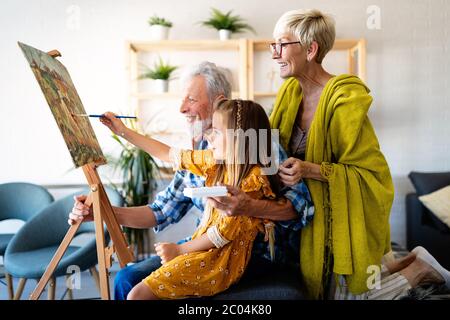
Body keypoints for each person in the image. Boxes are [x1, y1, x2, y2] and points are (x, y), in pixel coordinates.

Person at [69, 61, 313, 299]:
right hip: (205, 246)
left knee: (136, 287)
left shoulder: (260, 146)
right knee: (126, 278)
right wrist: (103, 211)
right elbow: (160, 209)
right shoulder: (207, 153)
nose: (182, 109)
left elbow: (301, 209)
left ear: (219, 102)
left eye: (192, 99)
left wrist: (250, 206)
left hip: (250, 256)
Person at [268, 8, 450, 300]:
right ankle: (403, 264)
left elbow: (370, 173)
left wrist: (309, 169)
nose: (274, 54)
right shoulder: (289, 95)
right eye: (272, 45)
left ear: (311, 49)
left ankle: (419, 269)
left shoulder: (345, 98)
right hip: (306, 221)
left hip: (341, 220)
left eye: (282, 44)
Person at [100, 99, 292, 299]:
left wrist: (179, 249)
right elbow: (168, 154)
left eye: (216, 131)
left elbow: (221, 235)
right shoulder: (216, 162)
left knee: (137, 295)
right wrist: (122, 131)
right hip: (204, 254)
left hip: (219, 265)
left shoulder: (253, 181)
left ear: (239, 139)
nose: (208, 136)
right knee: (137, 290)